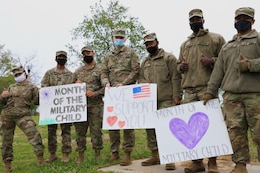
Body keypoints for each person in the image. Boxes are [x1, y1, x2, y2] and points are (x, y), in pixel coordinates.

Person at [203, 7, 260, 173]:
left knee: (259, 132)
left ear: (253, 21)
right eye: (239, 18)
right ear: (234, 21)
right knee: (236, 133)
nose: (241, 21)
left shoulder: (257, 40)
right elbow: (218, 72)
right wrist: (210, 91)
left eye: (246, 18)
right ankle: (240, 165)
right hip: (231, 97)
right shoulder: (227, 47)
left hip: (255, 96)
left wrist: (251, 64)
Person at [177, 9, 226, 173]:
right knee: (191, 131)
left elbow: (226, 61)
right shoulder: (185, 44)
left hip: (207, 88)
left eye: (197, 19)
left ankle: (212, 163)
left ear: (203, 19)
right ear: (189, 22)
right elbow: (178, 67)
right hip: (188, 92)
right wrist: (181, 67)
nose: (194, 22)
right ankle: (197, 162)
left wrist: (212, 60)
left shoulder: (216, 38)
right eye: (192, 20)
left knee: (211, 127)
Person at [138, 32, 182, 170]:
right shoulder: (145, 61)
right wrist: (144, 84)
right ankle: (155, 155)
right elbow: (140, 79)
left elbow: (176, 77)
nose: (149, 46)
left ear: (157, 42)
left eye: (151, 43)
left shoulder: (168, 58)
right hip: (150, 101)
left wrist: (177, 96)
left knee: (167, 128)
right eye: (146, 44)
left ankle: (170, 158)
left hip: (166, 98)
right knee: (150, 129)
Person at [101, 28, 139, 166]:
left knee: (127, 123)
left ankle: (127, 153)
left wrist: (124, 83)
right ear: (112, 39)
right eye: (116, 37)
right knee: (113, 124)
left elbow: (135, 71)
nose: (119, 39)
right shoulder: (107, 56)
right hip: (112, 94)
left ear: (125, 39)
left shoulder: (132, 53)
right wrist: (106, 84)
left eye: (121, 37)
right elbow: (103, 73)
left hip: (127, 92)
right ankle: (114, 152)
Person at [0, 66, 47, 172]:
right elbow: (2, 103)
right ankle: (8, 166)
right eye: (16, 75)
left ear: (24, 74)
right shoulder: (11, 87)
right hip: (7, 116)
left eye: (19, 74)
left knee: (35, 136)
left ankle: (40, 160)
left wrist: (40, 95)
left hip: (23, 116)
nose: (18, 76)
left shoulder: (32, 87)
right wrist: (3, 96)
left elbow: (37, 102)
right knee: (6, 142)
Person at [73, 46, 104, 164]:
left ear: (93, 53)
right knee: (80, 132)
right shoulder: (78, 71)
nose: (86, 55)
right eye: (84, 54)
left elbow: (105, 87)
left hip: (96, 105)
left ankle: (98, 154)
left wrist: (95, 93)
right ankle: (80, 155)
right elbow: (70, 89)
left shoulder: (100, 69)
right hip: (80, 107)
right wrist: (75, 84)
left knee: (96, 131)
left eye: (88, 53)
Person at [41, 51, 73, 163]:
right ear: (55, 58)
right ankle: (52, 154)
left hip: (65, 109)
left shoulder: (71, 75)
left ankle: (66, 153)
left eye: (63, 57)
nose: (61, 58)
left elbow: (73, 91)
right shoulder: (49, 73)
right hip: (52, 109)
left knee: (66, 131)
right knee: (51, 132)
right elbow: (44, 87)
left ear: (66, 59)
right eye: (59, 57)